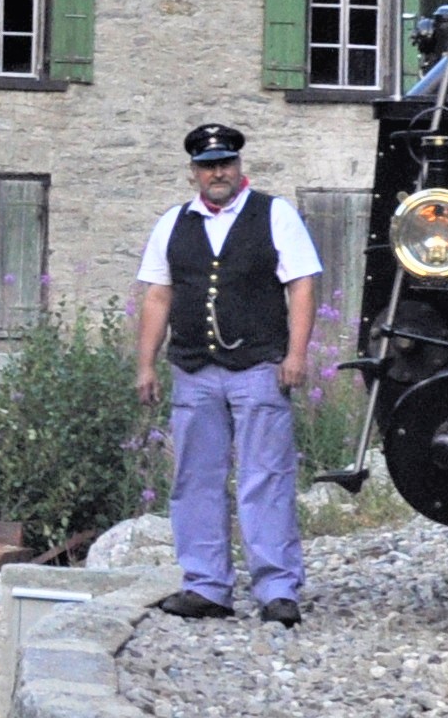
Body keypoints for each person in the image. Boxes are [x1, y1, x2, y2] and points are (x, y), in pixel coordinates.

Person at [131, 123, 321, 629]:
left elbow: (303, 285)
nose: (218, 172)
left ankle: (277, 589)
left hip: (260, 365)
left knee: (266, 478)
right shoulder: (174, 223)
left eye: (226, 163)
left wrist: (296, 354)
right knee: (195, 479)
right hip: (193, 368)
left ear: (239, 166)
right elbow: (157, 296)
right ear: (193, 172)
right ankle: (206, 586)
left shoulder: (274, 213)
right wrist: (146, 363)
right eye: (208, 165)